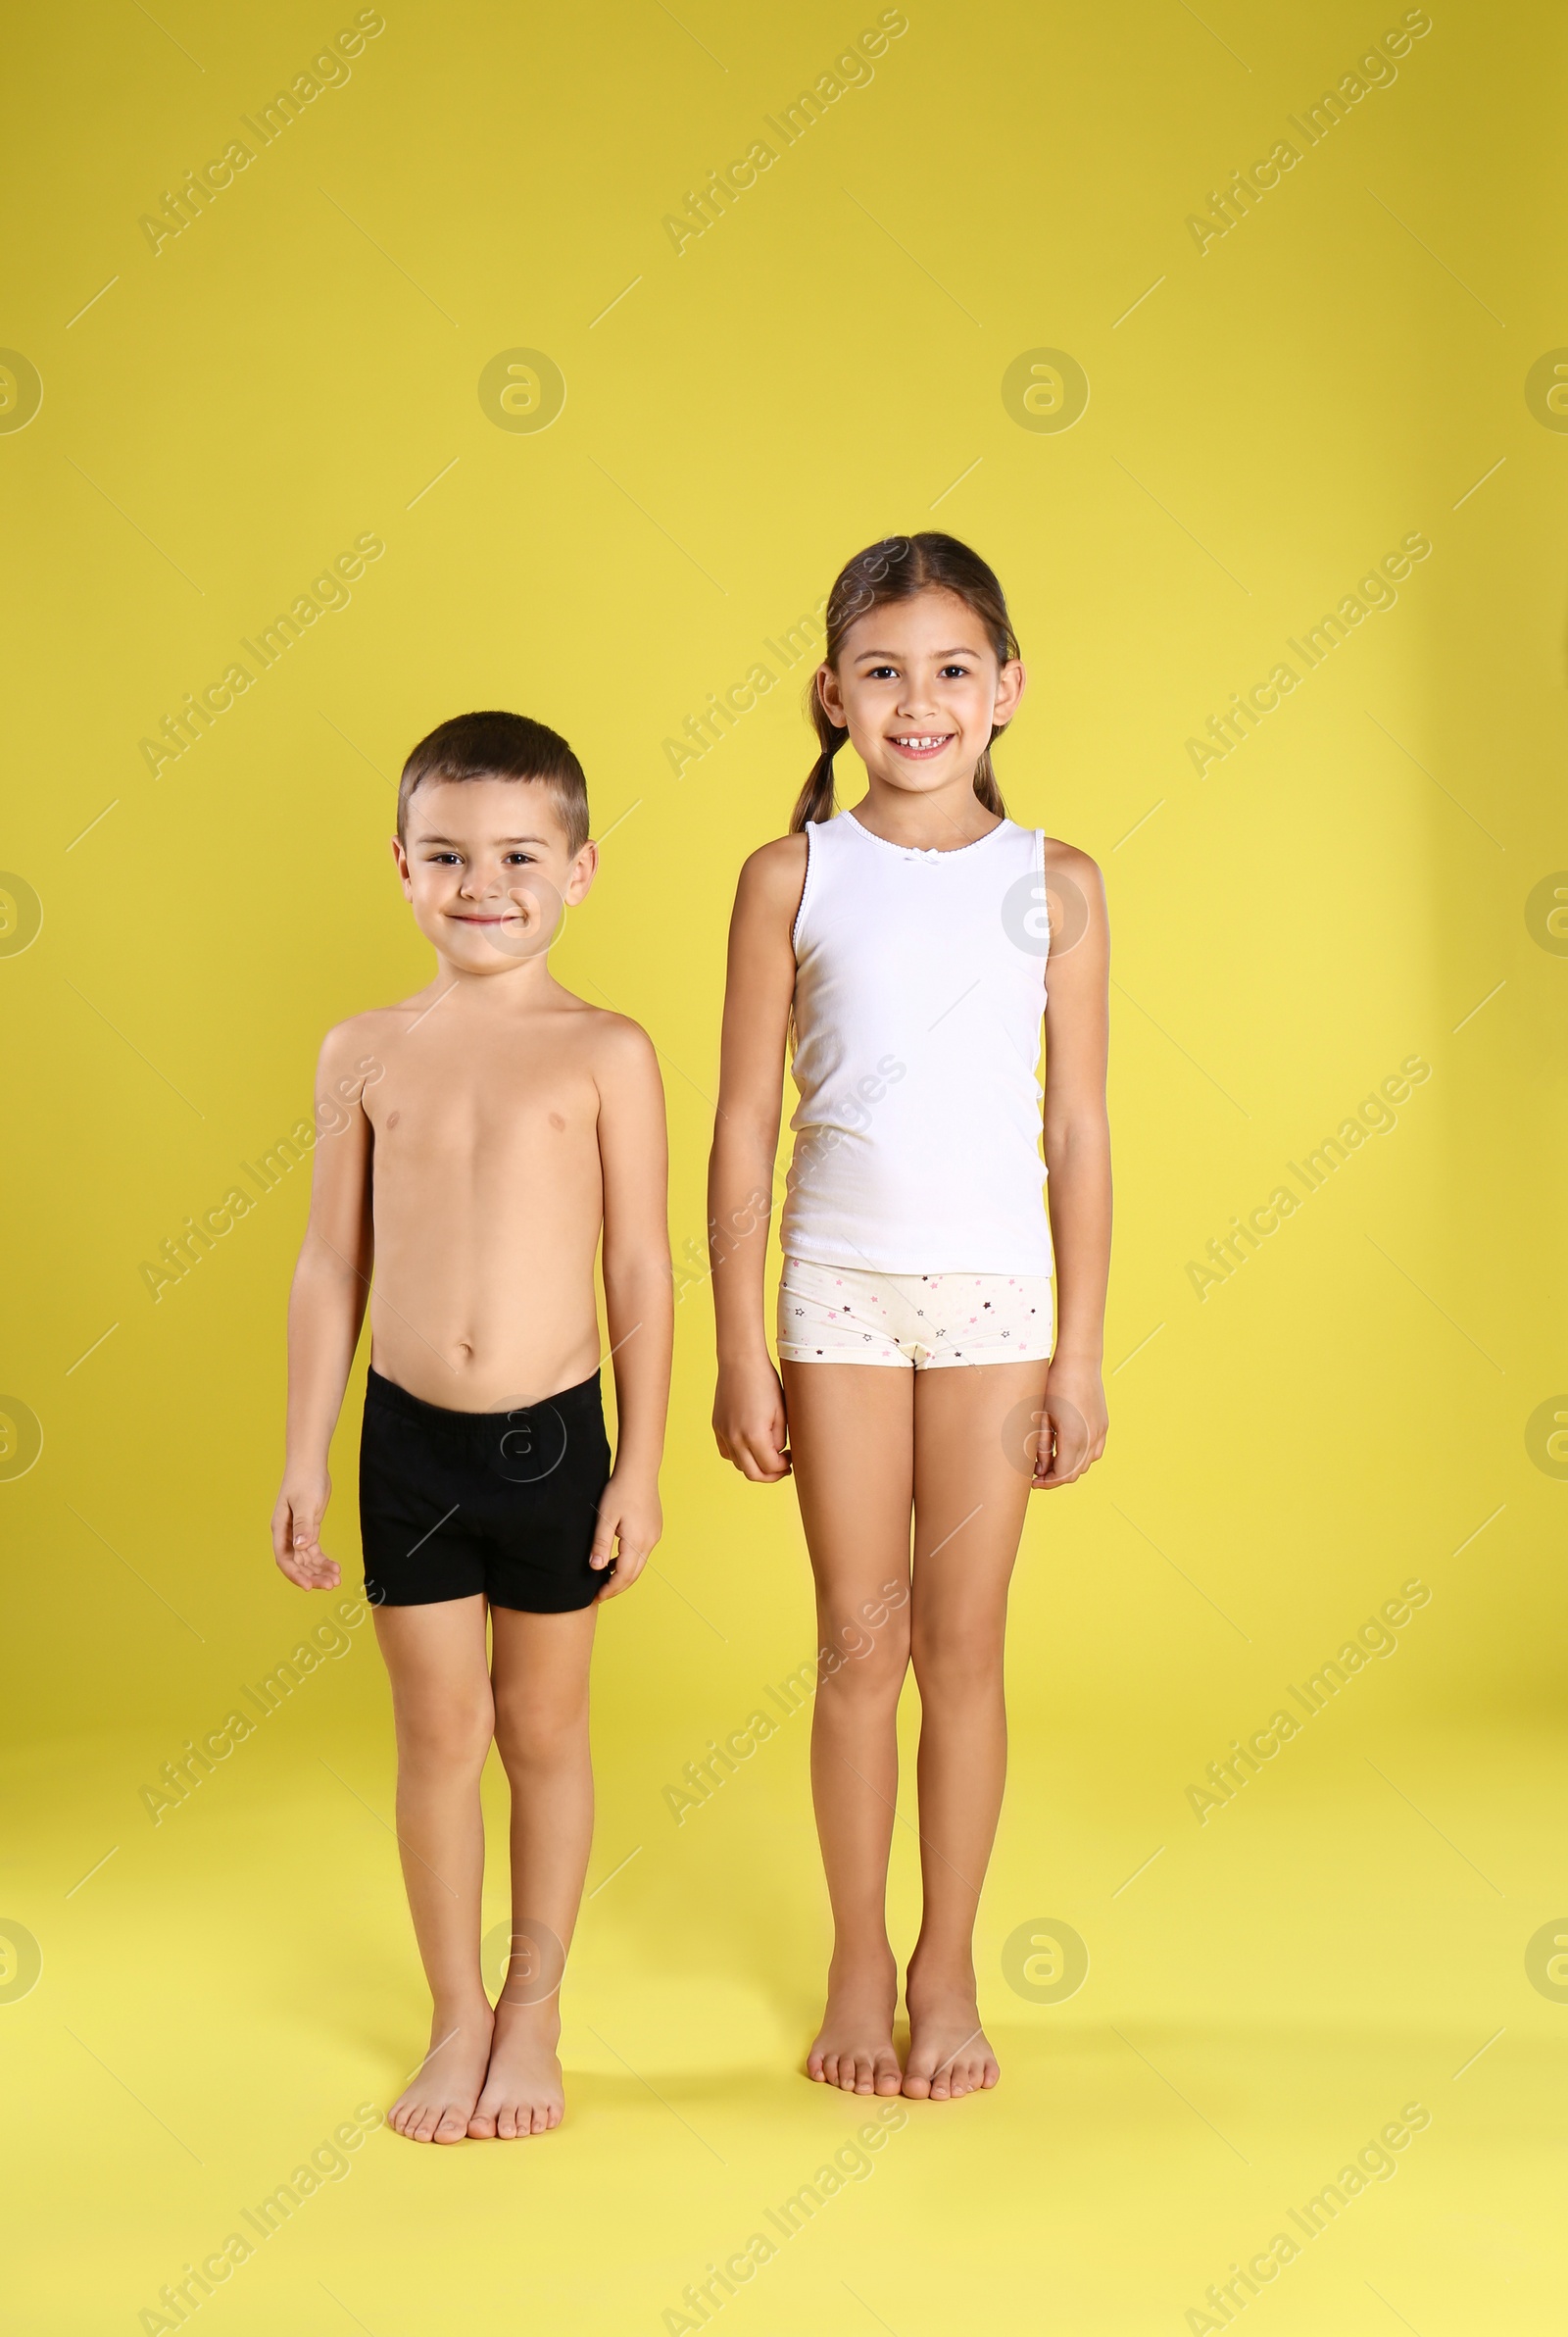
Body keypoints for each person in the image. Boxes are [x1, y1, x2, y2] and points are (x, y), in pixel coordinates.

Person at [709, 534, 1110, 2101]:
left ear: (1006, 690)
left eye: (952, 671)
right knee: (856, 1647)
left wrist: (1079, 1345)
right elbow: (745, 1121)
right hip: (839, 1295)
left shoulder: (1053, 884)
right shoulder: (793, 876)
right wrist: (742, 1339)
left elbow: (1075, 1127)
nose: (918, 702)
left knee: (966, 1644)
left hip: (1000, 1298)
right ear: (834, 696)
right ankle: (858, 1957)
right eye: (883, 672)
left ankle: (949, 1964)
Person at [271, 710, 671, 2143]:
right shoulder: (364, 1051)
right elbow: (333, 1265)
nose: (482, 883)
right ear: (400, 866)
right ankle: (455, 2014)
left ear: (579, 868)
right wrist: (305, 1451)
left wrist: (642, 1462)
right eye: (446, 855)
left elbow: (642, 1266)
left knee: (542, 1728)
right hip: (409, 1443)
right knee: (438, 1732)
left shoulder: (608, 1050)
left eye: (516, 854)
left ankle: (534, 2008)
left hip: (555, 1441)